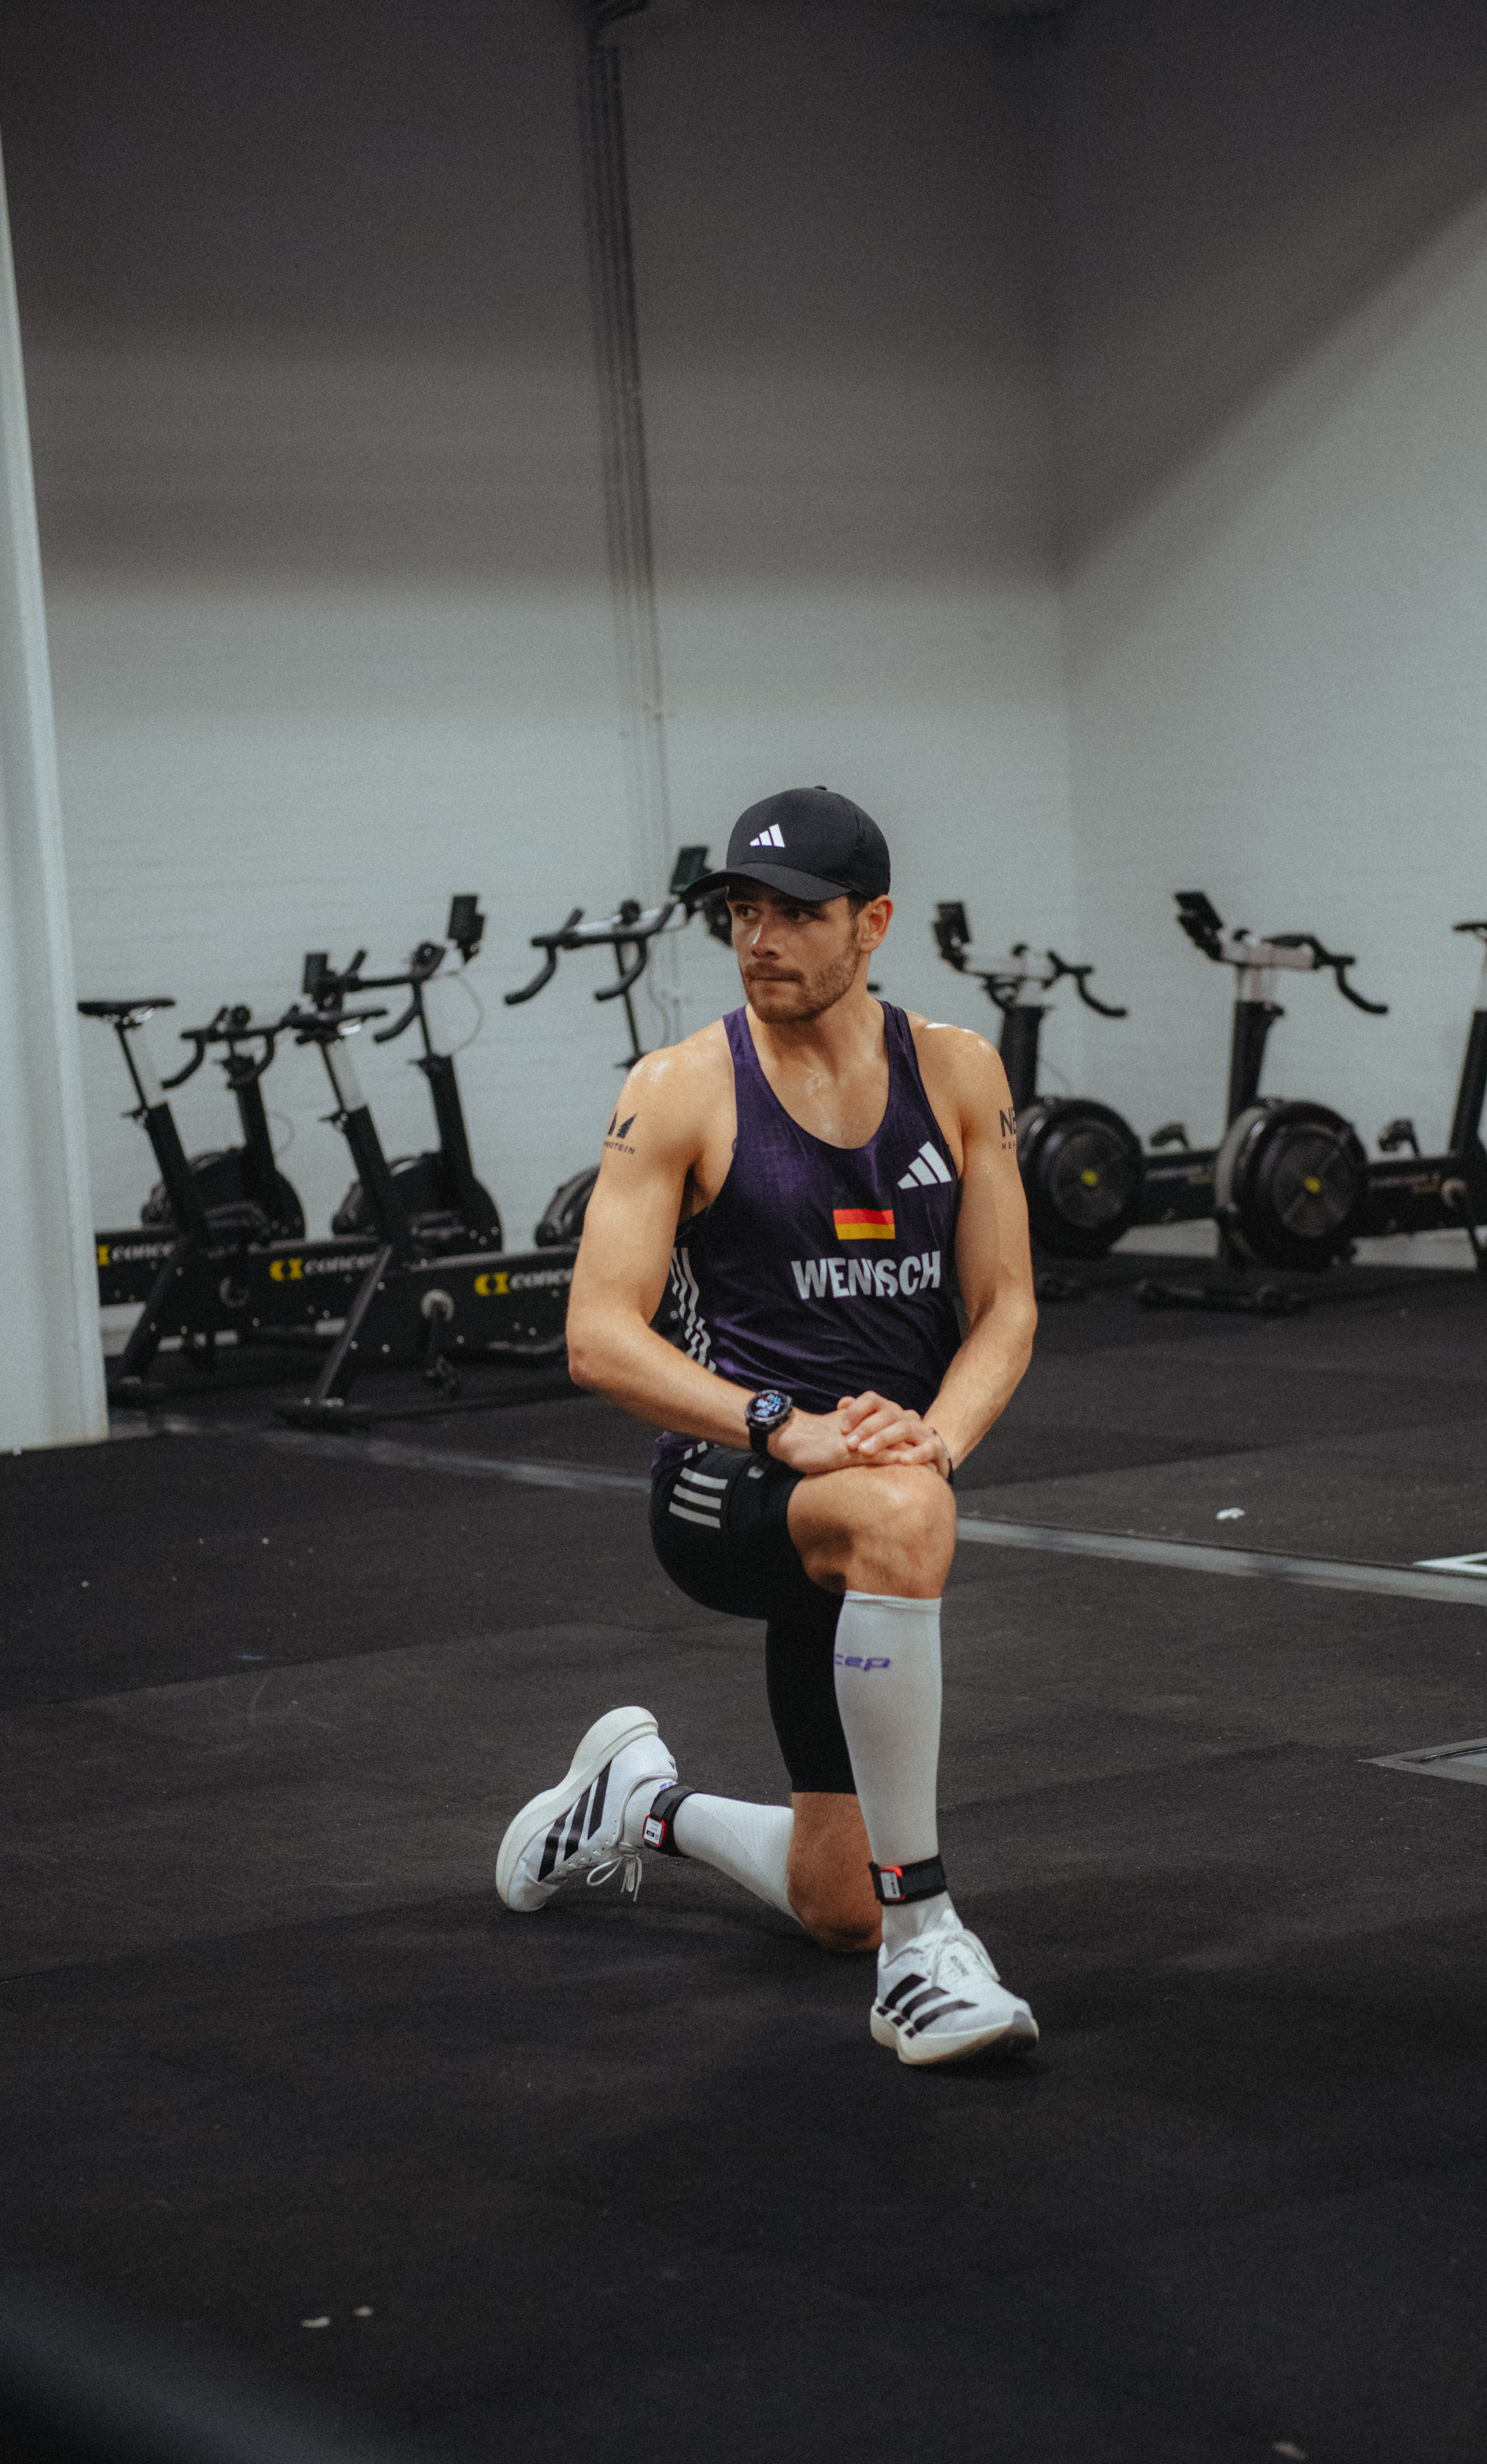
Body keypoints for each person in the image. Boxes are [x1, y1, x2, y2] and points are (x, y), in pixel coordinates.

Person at [495, 786, 1039, 2065]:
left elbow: (1006, 1305)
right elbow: (598, 1336)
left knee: (833, 1904)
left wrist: (935, 1438)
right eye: (743, 912)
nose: (761, 940)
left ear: (872, 924)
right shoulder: (682, 1088)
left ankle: (641, 1803)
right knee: (902, 1517)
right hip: (724, 1483)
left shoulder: (957, 1072)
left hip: (866, 1490)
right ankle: (927, 1950)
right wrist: (778, 1424)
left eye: (795, 914)